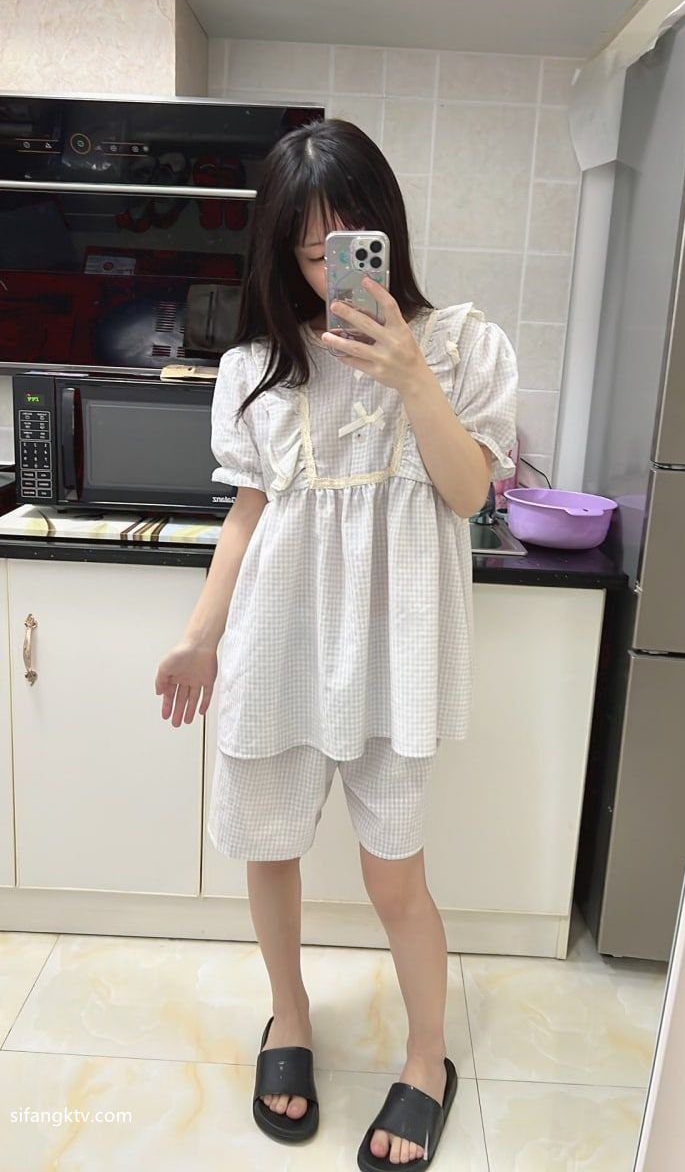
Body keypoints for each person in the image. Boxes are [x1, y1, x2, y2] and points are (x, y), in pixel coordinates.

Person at [155, 118, 518, 1169]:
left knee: (394, 877)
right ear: (285, 256)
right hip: (279, 643)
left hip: (395, 655)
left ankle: (427, 1058)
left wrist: (412, 377)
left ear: (388, 233)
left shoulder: (462, 347)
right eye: (316, 254)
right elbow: (249, 515)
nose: (337, 269)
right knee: (270, 847)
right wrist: (199, 637)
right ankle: (291, 1014)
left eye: (355, 244)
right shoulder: (257, 367)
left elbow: (469, 492)